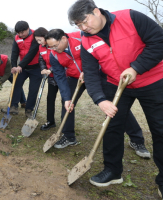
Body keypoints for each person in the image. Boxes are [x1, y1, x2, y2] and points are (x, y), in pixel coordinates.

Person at [68, 0, 163, 198]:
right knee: (112, 127)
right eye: (78, 26)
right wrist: (101, 100)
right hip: (115, 83)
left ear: (96, 11)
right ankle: (112, 170)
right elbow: (91, 74)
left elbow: (162, 42)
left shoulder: (130, 17)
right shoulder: (86, 40)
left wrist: (136, 67)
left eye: (85, 22)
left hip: (152, 81)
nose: (84, 28)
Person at [45, 29, 150, 157]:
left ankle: (137, 140)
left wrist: (90, 71)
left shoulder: (81, 37)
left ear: (63, 38)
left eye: (55, 46)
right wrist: (66, 97)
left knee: (114, 105)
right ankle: (68, 136)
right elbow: (60, 76)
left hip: (97, 75)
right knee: (67, 104)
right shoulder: (54, 55)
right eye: (50, 47)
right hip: (74, 78)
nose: (53, 49)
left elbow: (101, 54)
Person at [2, 21, 42, 118]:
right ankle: (14, 107)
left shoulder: (35, 35)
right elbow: (14, 52)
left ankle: (28, 110)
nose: (20, 35)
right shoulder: (17, 38)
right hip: (22, 68)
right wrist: (14, 66)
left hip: (36, 68)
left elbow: (32, 53)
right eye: (18, 33)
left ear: (28, 29)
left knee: (33, 90)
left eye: (22, 32)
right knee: (16, 85)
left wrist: (20, 65)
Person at [0, 53, 27, 117]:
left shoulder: (6, 60)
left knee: (17, 85)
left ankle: (23, 102)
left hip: (7, 73)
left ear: (0, 60)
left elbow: (7, 74)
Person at [33, 27, 58, 131]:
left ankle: (67, 125)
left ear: (45, 37)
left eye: (40, 40)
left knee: (66, 100)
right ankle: (50, 121)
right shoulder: (41, 48)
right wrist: (43, 69)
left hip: (63, 76)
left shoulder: (54, 45)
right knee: (50, 99)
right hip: (51, 78)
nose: (39, 42)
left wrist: (51, 69)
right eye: (37, 41)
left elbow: (61, 60)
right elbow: (41, 59)